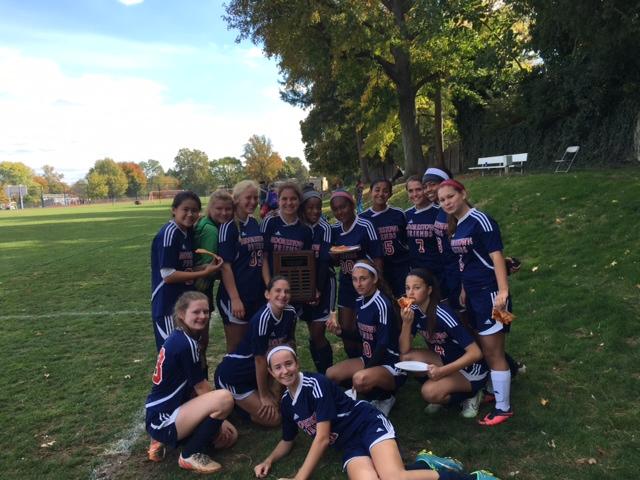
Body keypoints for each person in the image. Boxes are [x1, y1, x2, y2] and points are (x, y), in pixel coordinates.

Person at [255, 345, 500, 480]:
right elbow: (287, 440)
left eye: (289, 364)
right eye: (278, 367)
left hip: (366, 424)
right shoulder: (287, 401)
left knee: (395, 478)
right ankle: (426, 462)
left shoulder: (315, 384)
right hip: (349, 444)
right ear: (271, 372)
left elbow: (320, 438)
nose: (285, 370)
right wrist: (268, 460)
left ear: (297, 363)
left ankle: (472, 478)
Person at [437, 179, 513, 426]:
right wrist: (463, 290)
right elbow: (466, 261)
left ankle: (503, 408)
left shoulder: (481, 220)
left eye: (451, 196)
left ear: (463, 194)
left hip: (490, 294)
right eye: (442, 199)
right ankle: (494, 392)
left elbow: (496, 255)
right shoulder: (457, 226)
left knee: (493, 351)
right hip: (473, 295)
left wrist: (502, 291)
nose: (447, 202)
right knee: (485, 346)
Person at [145, 291, 238, 473]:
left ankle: (177, 440)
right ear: (181, 314)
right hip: (163, 418)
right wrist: (223, 419)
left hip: (174, 410)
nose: (202, 316)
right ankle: (189, 453)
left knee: (230, 437)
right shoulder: (185, 343)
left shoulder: (183, 337)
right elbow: (201, 387)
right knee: (225, 400)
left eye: (205, 311)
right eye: (196, 312)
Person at [399, 269, 488, 418]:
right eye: (408, 288)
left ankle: (472, 395)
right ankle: (446, 387)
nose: (410, 293)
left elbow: (475, 353)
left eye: (417, 287)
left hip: (470, 368)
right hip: (446, 359)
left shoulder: (442, 314)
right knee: (405, 358)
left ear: (429, 290)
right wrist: (406, 324)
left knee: (429, 392)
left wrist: (442, 372)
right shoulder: (414, 311)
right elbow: (404, 349)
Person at [214, 276, 297, 427]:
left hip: (255, 375)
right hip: (235, 377)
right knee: (275, 419)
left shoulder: (291, 313)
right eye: (277, 291)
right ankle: (237, 409)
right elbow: (260, 360)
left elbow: (290, 344)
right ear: (267, 294)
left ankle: (251, 399)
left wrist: (293, 377)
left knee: (286, 404)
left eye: (287, 291)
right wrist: (264, 395)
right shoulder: (263, 319)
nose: (283, 295)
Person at [326, 260, 404, 416]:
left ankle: (387, 397)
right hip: (369, 358)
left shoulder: (382, 303)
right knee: (330, 374)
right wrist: (341, 332)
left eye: (363, 278)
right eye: (354, 279)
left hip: (389, 363)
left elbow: (383, 344)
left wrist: (366, 369)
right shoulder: (360, 301)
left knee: (360, 379)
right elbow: (363, 336)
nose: (358, 284)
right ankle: (369, 393)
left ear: (374, 279)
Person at [150, 191, 223, 351]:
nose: (190, 214)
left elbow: (184, 269)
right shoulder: (169, 234)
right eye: (185, 209)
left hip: (185, 305)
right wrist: (203, 273)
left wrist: (207, 267)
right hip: (168, 306)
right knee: (172, 355)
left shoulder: (187, 232)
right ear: (174, 210)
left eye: (195, 210)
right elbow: (168, 275)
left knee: (192, 351)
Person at [329, 189, 384, 360]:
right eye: (336, 209)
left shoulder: (366, 225)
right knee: (346, 329)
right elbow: (336, 262)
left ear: (352, 205)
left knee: (366, 327)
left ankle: (370, 360)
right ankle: (354, 361)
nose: (340, 212)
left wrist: (377, 283)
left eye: (343, 207)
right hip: (347, 283)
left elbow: (377, 257)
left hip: (366, 285)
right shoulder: (335, 229)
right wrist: (334, 256)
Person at [217, 180, 264, 352]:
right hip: (236, 298)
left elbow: (262, 257)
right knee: (237, 349)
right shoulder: (228, 227)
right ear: (236, 199)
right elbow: (225, 267)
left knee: (256, 347)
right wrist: (235, 299)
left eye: (256, 197)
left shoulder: (254, 222)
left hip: (256, 295)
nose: (253, 201)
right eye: (248, 197)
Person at [299, 186, 336, 374]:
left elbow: (323, 261)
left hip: (322, 283)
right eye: (310, 207)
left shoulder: (325, 228)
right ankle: (322, 372)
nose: (315, 211)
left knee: (318, 333)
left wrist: (318, 289)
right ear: (303, 208)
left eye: (318, 207)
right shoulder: (297, 226)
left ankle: (327, 374)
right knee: (312, 332)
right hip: (302, 284)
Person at [361, 178, 410, 298]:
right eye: (377, 190)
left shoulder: (398, 214)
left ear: (390, 194)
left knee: (403, 302)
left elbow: (406, 239)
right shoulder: (363, 218)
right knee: (384, 303)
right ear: (370, 192)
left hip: (399, 267)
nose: (381, 194)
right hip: (377, 269)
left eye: (385, 191)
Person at [261, 182, 313, 286]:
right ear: (278, 201)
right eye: (284, 199)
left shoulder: (306, 228)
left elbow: (307, 263)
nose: (289, 203)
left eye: (293, 199)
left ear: (299, 201)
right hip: (272, 284)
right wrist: (269, 286)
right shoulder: (269, 221)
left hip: (296, 285)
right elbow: (263, 257)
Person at [193, 189, 234, 312]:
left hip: (195, 283)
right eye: (219, 209)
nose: (224, 212)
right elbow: (208, 267)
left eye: (228, 209)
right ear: (210, 208)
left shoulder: (205, 221)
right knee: (201, 322)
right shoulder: (211, 230)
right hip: (201, 286)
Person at [405, 174, 444, 284]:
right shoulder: (406, 214)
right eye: (410, 191)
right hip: (417, 272)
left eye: (419, 189)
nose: (415, 194)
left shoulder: (439, 211)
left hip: (438, 271)